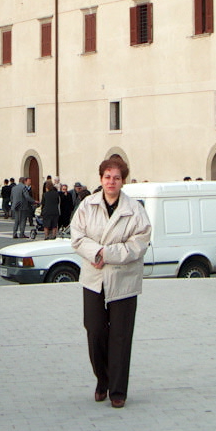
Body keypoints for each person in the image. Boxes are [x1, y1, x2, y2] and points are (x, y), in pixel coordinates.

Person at [70, 154, 152, 409]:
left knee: (120, 336)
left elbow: (139, 243)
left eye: (116, 178)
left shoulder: (134, 210)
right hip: (94, 277)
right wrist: (96, 253)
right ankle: (102, 379)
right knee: (94, 330)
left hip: (124, 279)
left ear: (123, 181)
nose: (111, 182)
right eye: (107, 177)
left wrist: (108, 254)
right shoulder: (87, 205)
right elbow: (77, 237)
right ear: (101, 179)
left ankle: (118, 390)